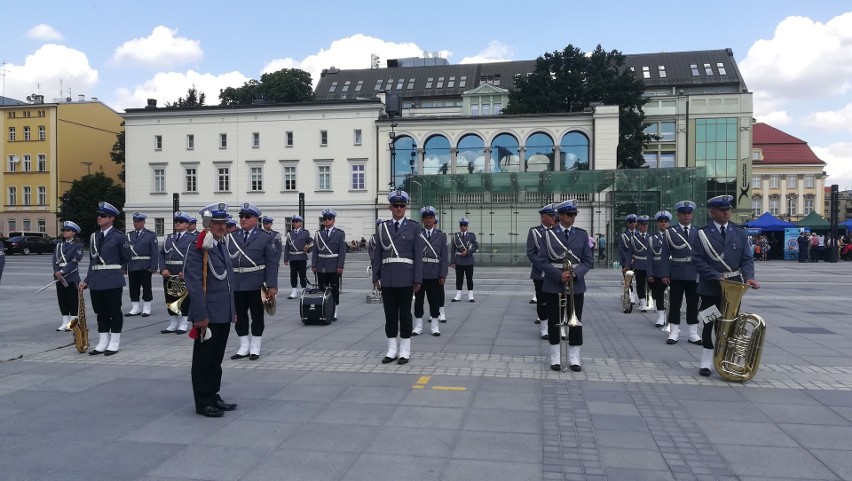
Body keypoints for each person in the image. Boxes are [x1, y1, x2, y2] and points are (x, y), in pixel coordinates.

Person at [692, 195, 759, 377]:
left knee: (730, 325)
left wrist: (749, 278)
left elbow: (747, 259)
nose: (726, 212)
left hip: (733, 288)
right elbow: (697, 260)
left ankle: (724, 359)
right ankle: (706, 361)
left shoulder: (740, 232)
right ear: (711, 212)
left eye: (728, 209)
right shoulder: (702, 234)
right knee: (708, 323)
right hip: (710, 288)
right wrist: (715, 275)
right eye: (722, 210)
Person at [186, 203, 237, 418]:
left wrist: (232, 310)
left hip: (223, 312)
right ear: (207, 224)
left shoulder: (220, 245)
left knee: (216, 359)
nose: (221, 227)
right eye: (217, 223)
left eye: (224, 223)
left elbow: (228, 282)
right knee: (203, 360)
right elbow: (194, 283)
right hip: (207, 313)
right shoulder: (199, 246)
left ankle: (214, 395)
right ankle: (203, 401)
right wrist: (201, 315)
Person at [533, 200, 593, 371]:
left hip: (576, 283)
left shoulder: (581, 235)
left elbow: (588, 261)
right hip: (554, 283)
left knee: (575, 321)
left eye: (574, 214)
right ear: (560, 216)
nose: (572, 218)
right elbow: (542, 260)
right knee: (554, 321)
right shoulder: (548, 235)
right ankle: (555, 358)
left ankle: (575, 358)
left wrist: (575, 273)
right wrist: (559, 275)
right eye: (569, 214)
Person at [371, 191, 423, 364]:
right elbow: (377, 254)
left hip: (406, 278)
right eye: (396, 206)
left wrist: (418, 279)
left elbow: (417, 255)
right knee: (390, 314)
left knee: (406, 315)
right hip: (387, 277)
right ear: (390, 207)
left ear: (405, 207)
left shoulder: (414, 227)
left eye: (402, 206)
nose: (399, 209)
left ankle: (405, 350)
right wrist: (375, 276)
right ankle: (392, 349)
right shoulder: (382, 227)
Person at [229, 203, 279, 361]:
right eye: (241, 216)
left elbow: (272, 263)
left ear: (255, 219)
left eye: (247, 217)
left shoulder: (265, 237)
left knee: (257, 316)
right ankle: (244, 345)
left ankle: (255, 346)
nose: (243, 219)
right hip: (237, 283)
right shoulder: (232, 237)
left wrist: (272, 285)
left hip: (257, 283)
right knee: (239, 315)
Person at [80, 201, 131, 356]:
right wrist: (87, 280)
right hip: (96, 280)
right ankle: (103, 341)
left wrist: (118, 270)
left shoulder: (120, 236)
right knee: (100, 312)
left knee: (114, 311)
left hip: (112, 279)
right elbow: (92, 261)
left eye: (103, 216)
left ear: (112, 218)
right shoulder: (94, 236)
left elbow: (126, 257)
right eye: (99, 215)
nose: (99, 218)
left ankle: (114, 342)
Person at [663, 201, 702, 344]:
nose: (686, 216)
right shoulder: (670, 232)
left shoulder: (698, 232)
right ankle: (673, 332)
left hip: (694, 273)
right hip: (676, 272)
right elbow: (665, 255)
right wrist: (665, 274)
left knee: (693, 303)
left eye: (689, 213)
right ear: (677, 215)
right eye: (683, 213)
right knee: (675, 303)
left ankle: (693, 333)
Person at [158, 211, 196, 334]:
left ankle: (184, 323)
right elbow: (162, 254)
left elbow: (193, 257)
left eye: (181, 222)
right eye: (176, 222)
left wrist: (184, 270)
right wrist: (163, 268)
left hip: (183, 273)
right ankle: (173, 323)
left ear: (187, 224)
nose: (177, 224)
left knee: (184, 299)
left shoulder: (192, 238)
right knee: (170, 298)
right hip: (169, 273)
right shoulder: (169, 238)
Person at [413, 206, 447, 336]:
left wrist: (443, 274)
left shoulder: (441, 236)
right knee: (419, 301)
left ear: (434, 219)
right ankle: (418, 326)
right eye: (426, 218)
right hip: (420, 274)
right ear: (422, 220)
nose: (428, 220)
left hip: (434, 273)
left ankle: (434, 326)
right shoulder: (417, 235)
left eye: (430, 218)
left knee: (434, 301)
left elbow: (444, 257)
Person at [527, 203, 557, 339]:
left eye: (554, 215)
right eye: (551, 215)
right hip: (541, 273)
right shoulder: (534, 232)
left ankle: (556, 326)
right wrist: (543, 266)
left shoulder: (557, 231)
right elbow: (531, 252)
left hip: (556, 272)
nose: (553, 218)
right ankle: (544, 329)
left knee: (556, 301)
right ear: (543, 217)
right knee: (542, 300)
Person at [312, 208, 346, 319]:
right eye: (325, 219)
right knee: (322, 289)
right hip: (321, 265)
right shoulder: (318, 234)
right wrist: (314, 265)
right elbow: (315, 251)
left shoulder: (339, 234)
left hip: (334, 265)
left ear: (333, 220)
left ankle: (334, 310)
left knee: (334, 289)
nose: (326, 221)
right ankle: (324, 310)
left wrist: (340, 266)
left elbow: (342, 251)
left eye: (329, 218)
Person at [125, 212, 159, 317]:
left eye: (138, 221)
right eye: (135, 221)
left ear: (143, 222)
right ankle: (135, 308)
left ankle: (147, 307)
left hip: (145, 265)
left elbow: (154, 252)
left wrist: (154, 266)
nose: (136, 223)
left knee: (146, 287)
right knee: (133, 287)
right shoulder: (129, 236)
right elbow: (124, 252)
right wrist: (123, 266)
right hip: (132, 265)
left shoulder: (150, 235)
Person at [52, 221, 84, 331]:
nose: (65, 232)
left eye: (68, 230)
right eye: (64, 230)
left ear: (74, 233)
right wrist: (57, 272)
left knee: (72, 300)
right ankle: (65, 321)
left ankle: (74, 322)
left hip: (71, 276)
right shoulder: (59, 245)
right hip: (59, 277)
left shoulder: (78, 245)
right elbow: (54, 260)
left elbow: (75, 261)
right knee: (62, 299)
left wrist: (63, 271)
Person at [646, 211, 671, 329]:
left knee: (672, 296)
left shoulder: (673, 236)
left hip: (672, 271)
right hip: (657, 271)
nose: (663, 224)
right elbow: (649, 257)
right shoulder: (652, 239)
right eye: (661, 222)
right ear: (657, 223)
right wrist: (649, 273)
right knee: (659, 294)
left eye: (665, 222)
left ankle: (671, 317)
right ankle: (661, 316)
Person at [283, 215, 312, 299]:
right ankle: (294, 291)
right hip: (292, 257)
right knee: (293, 275)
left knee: (302, 274)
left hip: (301, 256)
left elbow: (312, 242)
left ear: (300, 223)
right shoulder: (290, 234)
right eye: (293, 222)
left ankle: (303, 290)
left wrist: (307, 248)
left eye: (296, 221)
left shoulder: (305, 233)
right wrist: (286, 258)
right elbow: (287, 247)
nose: (294, 223)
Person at [450, 217, 479, 302]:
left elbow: (476, 247)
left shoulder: (472, 235)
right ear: (460, 226)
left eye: (464, 225)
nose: (463, 227)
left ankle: (471, 296)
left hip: (469, 260)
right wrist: (452, 261)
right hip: (459, 260)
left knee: (469, 278)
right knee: (459, 278)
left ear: (467, 226)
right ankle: (458, 295)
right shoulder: (456, 236)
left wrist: (468, 252)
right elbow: (453, 249)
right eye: (461, 225)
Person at [631, 215, 652, 311]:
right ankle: (642, 303)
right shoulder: (634, 238)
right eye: (642, 224)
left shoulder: (651, 237)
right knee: (640, 285)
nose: (645, 226)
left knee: (652, 284)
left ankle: (653, 303)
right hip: (639, 264)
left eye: (646, 224)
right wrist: (627, 266)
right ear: (638, 225)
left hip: (650, 264)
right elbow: (629, 253)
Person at [619, 214, 639, 306]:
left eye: (634, 222)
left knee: (640, 280)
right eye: (630, 222)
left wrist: (635, 258)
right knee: (628, 280)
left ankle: (642, 298)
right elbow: (621, 249)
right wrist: (628, 260)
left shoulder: (639, 235)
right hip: (626, 261)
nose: (632, 224)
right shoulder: (623, 236)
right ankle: (631, 296)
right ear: (627, 223)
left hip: (638, 261)